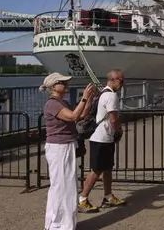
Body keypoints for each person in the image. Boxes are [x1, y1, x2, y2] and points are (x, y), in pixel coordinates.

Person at [41, 73, 97, 230]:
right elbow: (73, 116)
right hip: (58, 148)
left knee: (68, 186)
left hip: (65, 146)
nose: (66, 85)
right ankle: (55, 224)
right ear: (53, 86)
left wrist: (89, 99)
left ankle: (65, 223)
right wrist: (84, 98)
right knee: (60, 186)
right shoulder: (52, 104)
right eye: (62, 83)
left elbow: (81, 115)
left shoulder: (61, 102)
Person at [78, 69, 127, 213]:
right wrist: (119, 130)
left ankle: (108, 196)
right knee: (97, 169)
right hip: (103, 138)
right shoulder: (111, 96)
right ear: (113, 80)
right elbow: (113, 118)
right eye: (121, 81)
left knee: (107, 168)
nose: (122, 84)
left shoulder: (103, 93)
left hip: (101, 137)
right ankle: (82, 199)